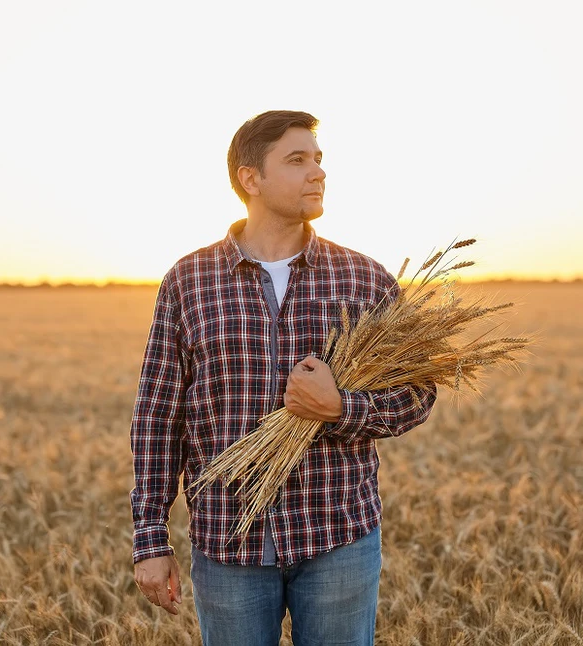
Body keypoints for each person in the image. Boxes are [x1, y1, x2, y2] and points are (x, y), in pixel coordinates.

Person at [130, 110, 437, 645]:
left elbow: (418, 393)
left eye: (318, 160)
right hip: (229, 542)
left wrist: (341, 409)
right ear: (251, 179)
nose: (317, 172)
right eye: (297, 160)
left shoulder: (363, 278)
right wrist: (151, 539)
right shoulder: (189, 281)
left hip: (337, 537)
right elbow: (159, 418)